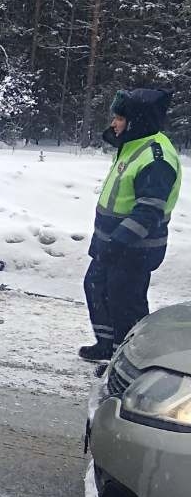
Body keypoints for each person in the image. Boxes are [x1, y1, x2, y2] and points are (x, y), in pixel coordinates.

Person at [80, 87, 182, 361]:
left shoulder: (156, 158)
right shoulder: (135, 144)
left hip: (134, 247)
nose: (114, 123)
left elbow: (148, 212)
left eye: (120, 119)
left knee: (125, 303)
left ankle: (129, 362)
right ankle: (107, 345)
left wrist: (119, 242)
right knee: (96, 286)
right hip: (111, 243)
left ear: (137, 121)